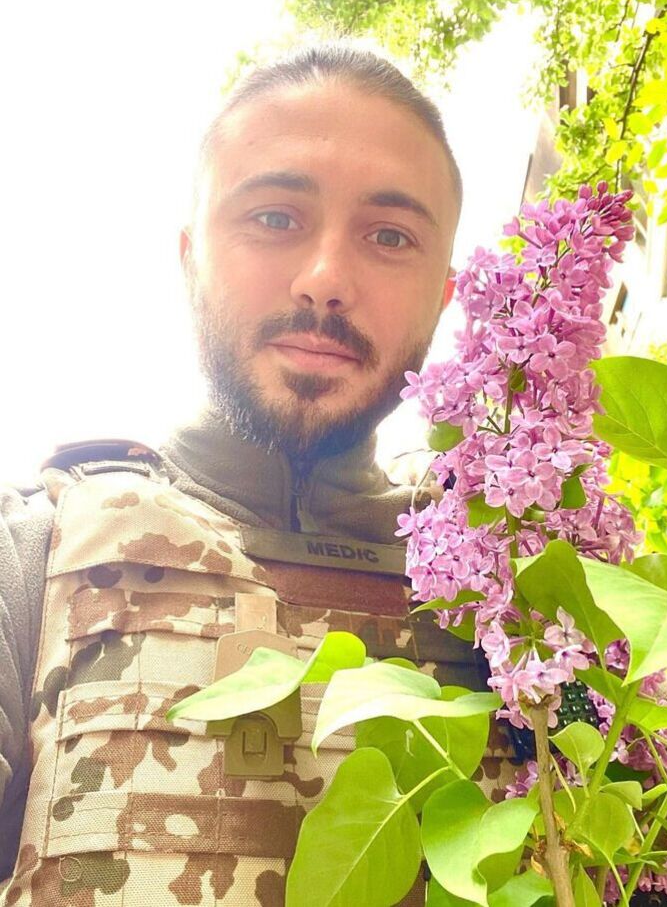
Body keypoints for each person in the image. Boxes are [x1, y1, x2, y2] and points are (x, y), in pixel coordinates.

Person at [0, 45, 484, 898]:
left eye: (388, 236)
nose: (326, 278)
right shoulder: (24, 565)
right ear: (190, 254)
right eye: (274, 217)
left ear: (444, 295)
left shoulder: (523, 598)